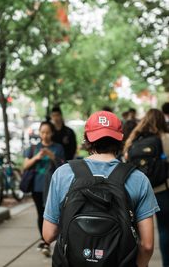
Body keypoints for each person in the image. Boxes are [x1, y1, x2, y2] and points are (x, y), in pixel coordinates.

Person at [43, 110, 159, 267]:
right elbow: (147, 245)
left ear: (86, 139)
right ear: (120, 139)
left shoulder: (63, 174)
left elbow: (49, 235)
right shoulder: (138, 179)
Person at [124, 108, 169, 267]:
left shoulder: (134, 140)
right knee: (164, 229)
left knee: (139, 233)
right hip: (162, 190)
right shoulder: (165, 139)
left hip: (139, 192)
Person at [23, 121, 65, 257]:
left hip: (53, 186)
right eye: (42, 132)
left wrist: (52, 156)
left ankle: (51, 239)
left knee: (53, 214)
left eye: (47, 132)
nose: (45, 135)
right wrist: (37, 157)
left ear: (52, 133)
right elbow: (25, 166)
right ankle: (45, 241)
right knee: (41, 214)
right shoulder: (34, 148)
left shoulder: (58, 148)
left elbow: (63, 166)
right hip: (37, 185)